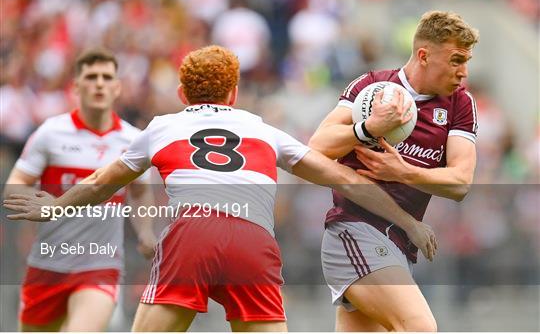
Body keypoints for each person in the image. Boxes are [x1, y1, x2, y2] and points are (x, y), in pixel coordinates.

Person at [4, 45, 437, 332]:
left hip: (190, 235)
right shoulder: (261, 128)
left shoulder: (162, 127)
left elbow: (101, 182)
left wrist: (54, 208)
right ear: (233, 93)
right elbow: (345, 179)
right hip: (252, 241)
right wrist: (407, 222)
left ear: (180, 92)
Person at [309, 10, 479, 332]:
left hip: (399, 243)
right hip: (355, 230)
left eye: (467, 61)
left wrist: (404, 171)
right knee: (419, 327)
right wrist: (368, 128)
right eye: (456, 60)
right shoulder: (372, 86)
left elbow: (460, 182)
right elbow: (317, 146)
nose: (463, 72)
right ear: (424, 55)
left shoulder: (460, 104)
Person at [3, 48, 157, 331]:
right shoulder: (51, 133)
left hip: (101, 265)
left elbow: (139, 191)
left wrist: (146, 231)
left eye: (106, 77)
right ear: (76, 86)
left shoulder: (133, 141)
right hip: (47, 264)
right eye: (91, 77)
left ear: (117, 87)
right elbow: (13, 188)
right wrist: (42, 203)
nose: (99, 83)